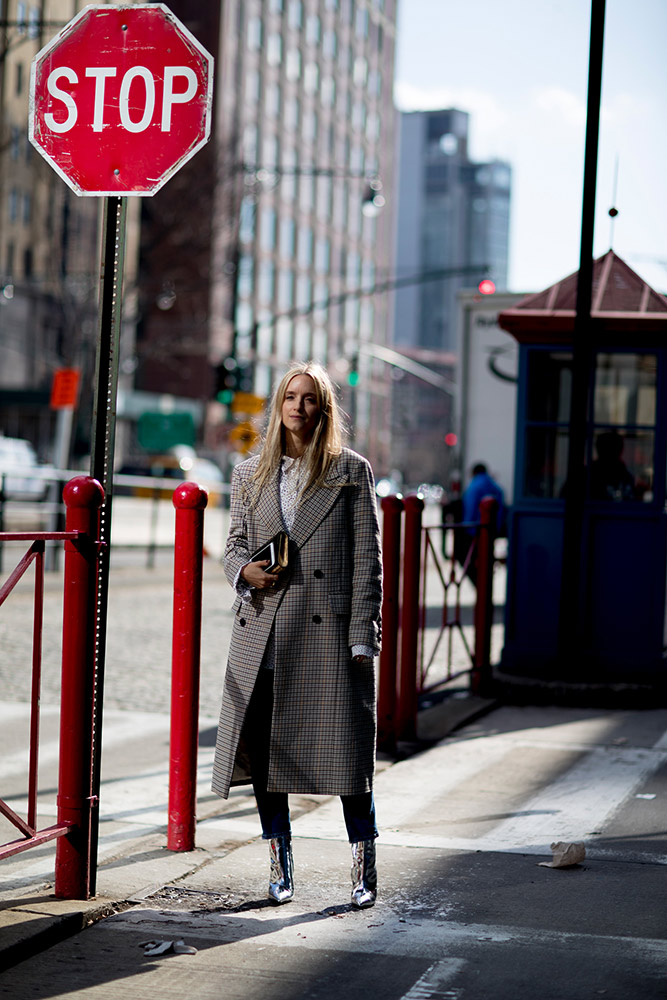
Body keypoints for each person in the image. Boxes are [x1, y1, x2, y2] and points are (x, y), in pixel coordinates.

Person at [212, 362, 383, 909]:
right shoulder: (249, 474)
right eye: (291, 396)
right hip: (264, 632)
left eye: (310, 399)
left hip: (329, 638)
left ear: (323, 409)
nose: (299, 407)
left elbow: (367, 562)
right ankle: (279, 865)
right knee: (268, 758)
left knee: (349, 759)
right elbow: (234, 542)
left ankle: (363, 866)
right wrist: (244, 572)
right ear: (278, 404)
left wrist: (363, 636)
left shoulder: (351, 472)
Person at [459, 463, 505, 584]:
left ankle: (479, 587)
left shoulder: (474, 487)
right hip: (492, 530)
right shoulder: (496, 487)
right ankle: (486, 589)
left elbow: (470, 507)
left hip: (475, 530)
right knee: (487, 560)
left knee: (469, 560)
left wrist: (467, 528)